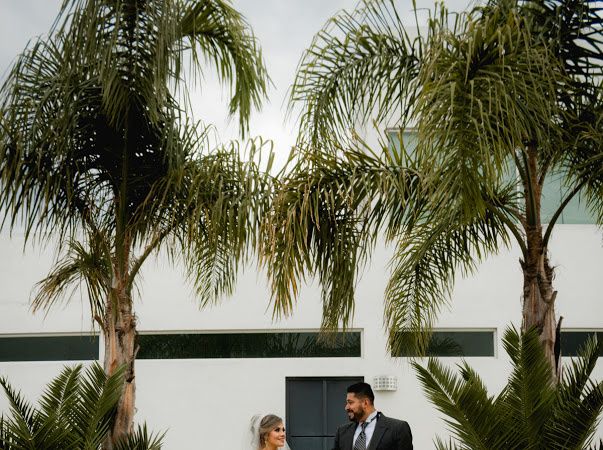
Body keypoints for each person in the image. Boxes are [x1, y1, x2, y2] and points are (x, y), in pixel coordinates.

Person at [332, 382, 413, 450]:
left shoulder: (398, 429)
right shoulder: (342, 431)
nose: (346, 407)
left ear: (365, 403)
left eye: (350, 402)